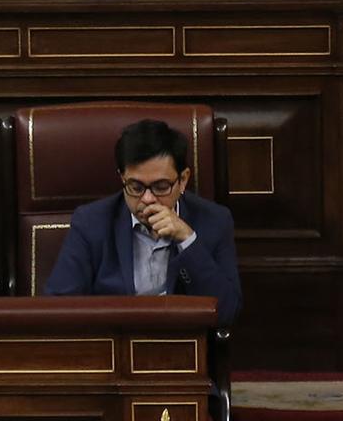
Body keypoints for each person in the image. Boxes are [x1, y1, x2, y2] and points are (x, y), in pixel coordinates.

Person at [44, 119, 243, 327]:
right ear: (122, 178)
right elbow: (58, 309)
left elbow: (227, 312)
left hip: (182, 347)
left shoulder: (214, 220)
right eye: (136, 187)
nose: (148, 199)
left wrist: (187, 241)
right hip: (114, 345)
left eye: (161, 186)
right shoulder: (91, 222)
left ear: (183, 180)